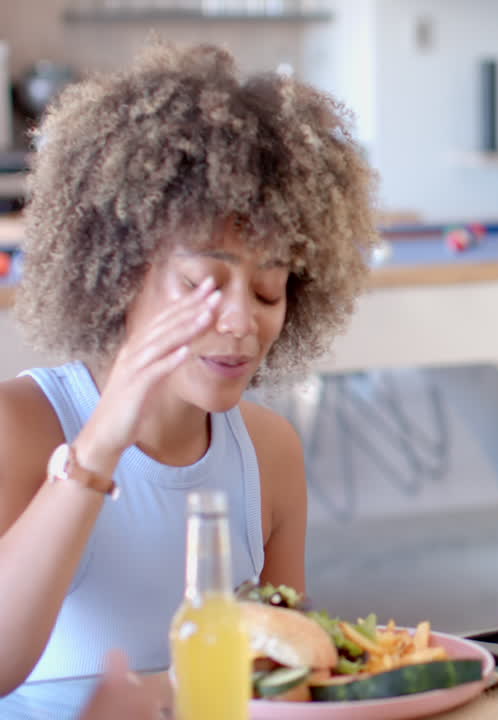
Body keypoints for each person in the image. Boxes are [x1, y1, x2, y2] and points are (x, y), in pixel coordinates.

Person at [0, 41, 377, 696]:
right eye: (203, 284)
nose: (242, 321)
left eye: (269, 291)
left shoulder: (270, 452)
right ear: (119, 272)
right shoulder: (20, 428)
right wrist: (98, 447)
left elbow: (287, 680)